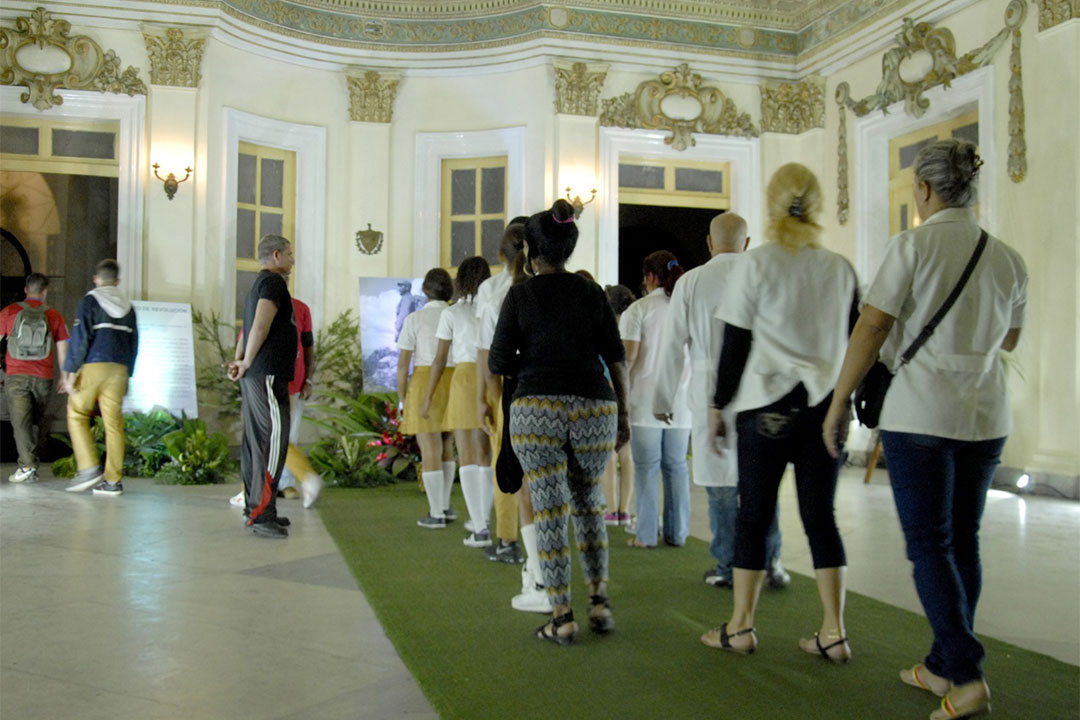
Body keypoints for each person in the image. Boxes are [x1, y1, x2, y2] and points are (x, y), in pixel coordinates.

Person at [823, 139, 1027, 719]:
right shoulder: (1009, 257)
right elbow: (1010, 339)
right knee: (964, 539)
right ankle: (942, 665)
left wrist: (840, 401)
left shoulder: (911, 246)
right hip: (986, 415)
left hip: (919, 417)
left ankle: (966, 676)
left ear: (925, 189)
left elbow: (873, 324)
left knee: (929, 544)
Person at [702, 164, 857, 661]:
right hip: (822, 407)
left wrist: (717, 407)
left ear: (771, 204)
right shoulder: (839, 268)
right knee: (821, 517)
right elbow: (858, 342)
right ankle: (834, 631)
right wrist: (847, 403)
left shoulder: (756, 263)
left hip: (765, 406)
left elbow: (736, 344)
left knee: (754, 515)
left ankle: (741, 625)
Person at [489, 199, 630, 645]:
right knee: (589, 502)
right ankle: (600, 604)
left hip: (536, 410)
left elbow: (497, 360)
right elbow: (617, 358)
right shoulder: (592, 292)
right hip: (595, 406)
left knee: (549, 508)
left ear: (530, 250)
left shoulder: (521, 294)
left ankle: (562, 615)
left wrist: (532, 360)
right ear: (568, 247)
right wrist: (623, 413)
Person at [653, 214, 789, 589]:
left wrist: (663, 397)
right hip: (762, 389)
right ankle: (771, 563)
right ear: (747, 243)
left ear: (710, 244)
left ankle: (729, 565)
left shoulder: (692, 281)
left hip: (709, 389)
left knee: (721, 488)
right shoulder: (766, 275)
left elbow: (672, 346)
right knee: (763, 482)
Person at [226, 235, 297, 538]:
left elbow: (248, 328)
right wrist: (244, 362)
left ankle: (255, 508)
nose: (293, 260)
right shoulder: (273, 283)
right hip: (267, 374)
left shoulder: (260, 283)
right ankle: (262, 513)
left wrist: (240, 359)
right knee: (272, 443)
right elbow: (260, 326)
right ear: (276, 255)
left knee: (258, 442)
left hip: (260, 372)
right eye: (290, 254)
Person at [620, 250, 691, 549]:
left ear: (649, 277)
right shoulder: (687, 306)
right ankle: (677, 533)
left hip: (645, 400)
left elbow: (629, 358)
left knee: (647, 467)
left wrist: (618, 395)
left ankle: (646, 534)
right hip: (682, 400)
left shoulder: (638, 310)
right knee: (676, 467)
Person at [422, 256, 492, 547]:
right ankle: (484, 519)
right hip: (491, 376)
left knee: (466, 455)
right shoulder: (493, 308)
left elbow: (439, 361)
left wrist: (427, 397)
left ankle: (479, 527)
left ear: (459, 282)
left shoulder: (452, 314)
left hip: (464, 378)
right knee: (487, 454)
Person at [229, 296, 323, 510]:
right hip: (267, 379)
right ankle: (263, 488)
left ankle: (299, 479)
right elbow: (246, 338)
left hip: (280, 381)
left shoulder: (299, 308)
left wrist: (307, 379)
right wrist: (240, 366)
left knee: (271, 437)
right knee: (272, 437)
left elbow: (307, 345)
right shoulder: (258, 303)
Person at [475, 219, 530, 568]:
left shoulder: (492, 290)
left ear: (500, 254)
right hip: (547, 385)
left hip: (509, 384)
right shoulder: (548, 285)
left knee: (508, 464)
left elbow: (486, 351)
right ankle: (542, 544)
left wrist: (487, 396)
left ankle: (509, 540)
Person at [63, 259, 139, 496]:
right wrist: (128, 375)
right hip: (119, 371)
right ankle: (113, 481)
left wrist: (70, 372)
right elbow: (134, 344)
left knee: (77, 413)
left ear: (97, 278)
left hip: (94, 366)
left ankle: (88, 468)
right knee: (114, 425)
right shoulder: (129, 307)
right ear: (117, 281)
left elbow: (81, 338)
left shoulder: (90, 301)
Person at [398, 268, 457, 529]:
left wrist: (404, 398)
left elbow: (402, 366)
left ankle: (436, 513)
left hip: (424, 381)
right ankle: (444, 505)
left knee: (430, 448)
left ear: (425, 291)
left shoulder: (415, 319)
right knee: (446, 446)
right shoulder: (456, 315)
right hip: (454, 380)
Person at [0, 272, 70, 484]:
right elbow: (63, 348)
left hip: (16, 375)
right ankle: (30, 463)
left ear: (25, 290)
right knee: (35, 422)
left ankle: (28, 465)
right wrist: (64, 377)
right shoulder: (54, 315)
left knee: (21, 422)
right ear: (45, 291)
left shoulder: (10, 312)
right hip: (43, 376)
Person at [601, 284, 636, 527]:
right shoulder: (631, 326)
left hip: (607, 392)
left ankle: (611, 509)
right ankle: (624, 510)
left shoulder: (603, 328)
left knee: (609, 452)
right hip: (628, 392)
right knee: (626, 451)